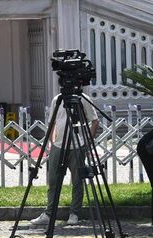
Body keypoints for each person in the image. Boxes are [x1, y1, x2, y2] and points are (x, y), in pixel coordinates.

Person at [30, 91, 101, 227]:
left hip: (78, 145)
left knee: (77, 181)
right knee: (53, 181)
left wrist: (87, 143)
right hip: (58, 145)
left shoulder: (83, 99)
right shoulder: (57, 99)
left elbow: (95, 121)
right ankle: (49, 213)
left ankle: (74, 213)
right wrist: (50, 143)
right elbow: (52, 123)